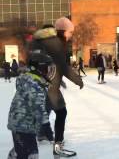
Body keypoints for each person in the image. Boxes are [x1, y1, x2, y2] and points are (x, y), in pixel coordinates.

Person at [30, 17, 83, 157]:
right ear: (63, 31)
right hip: (48, 86)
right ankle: (54, 143)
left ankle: (48, 139)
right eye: (70, 32)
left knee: (52, 111)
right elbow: (62, 67)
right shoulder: (56, 43)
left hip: (45, 84)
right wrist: (77, 80)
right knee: (58, 112)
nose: (71, 36)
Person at [7, 52, 53, 159]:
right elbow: (38, 107)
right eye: (47, 68)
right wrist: (46, 126)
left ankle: (16, 153)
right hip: (22, 125)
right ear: (40, 68)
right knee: (30, 154)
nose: (49, 72)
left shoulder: (31, 80)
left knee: (29, 153)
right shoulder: (34, 85)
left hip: (25, 125)